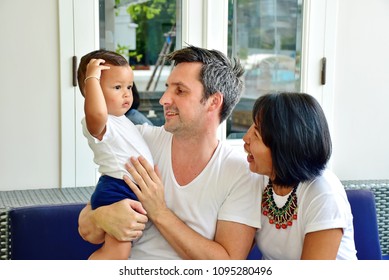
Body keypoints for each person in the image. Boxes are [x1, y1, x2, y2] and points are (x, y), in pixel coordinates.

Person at [78, 45, 262, 259]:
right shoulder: (139, 141)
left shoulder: (240, 173)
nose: (164, 99)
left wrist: (159, 212)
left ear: (213, 102)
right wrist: (102, 217)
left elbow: (227, 264)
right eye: (167, 88)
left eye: (180, 90)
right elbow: (85, 227)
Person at [243, 92, 357, 260]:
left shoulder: (324, 192)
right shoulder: (257, 180)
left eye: (257, 134)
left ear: (285, 146)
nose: (246, 138)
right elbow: (233, 255)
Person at [77, 49, 154, 259]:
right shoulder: (101, 123)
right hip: (117, 191)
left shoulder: (123, 120)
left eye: (129, 87)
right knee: (117, 254)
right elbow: (96, 111)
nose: (127, 93)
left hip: (127, 190)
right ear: (93, 92)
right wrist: (92, 77)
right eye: (117, 87)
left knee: (119, 252)